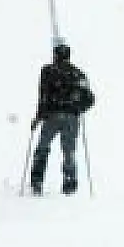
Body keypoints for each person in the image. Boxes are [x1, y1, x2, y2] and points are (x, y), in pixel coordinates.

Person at [29, 43, 95, 196]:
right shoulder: (78, 74)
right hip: (71, 118)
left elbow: (43, 97)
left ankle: (37, 182)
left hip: (51, 116)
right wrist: (78, 108)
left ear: (55, 55)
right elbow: (90, 99)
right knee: (69, 151)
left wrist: (38, 118)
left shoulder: (48, 71)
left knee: (42, 148)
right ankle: (70, 185)